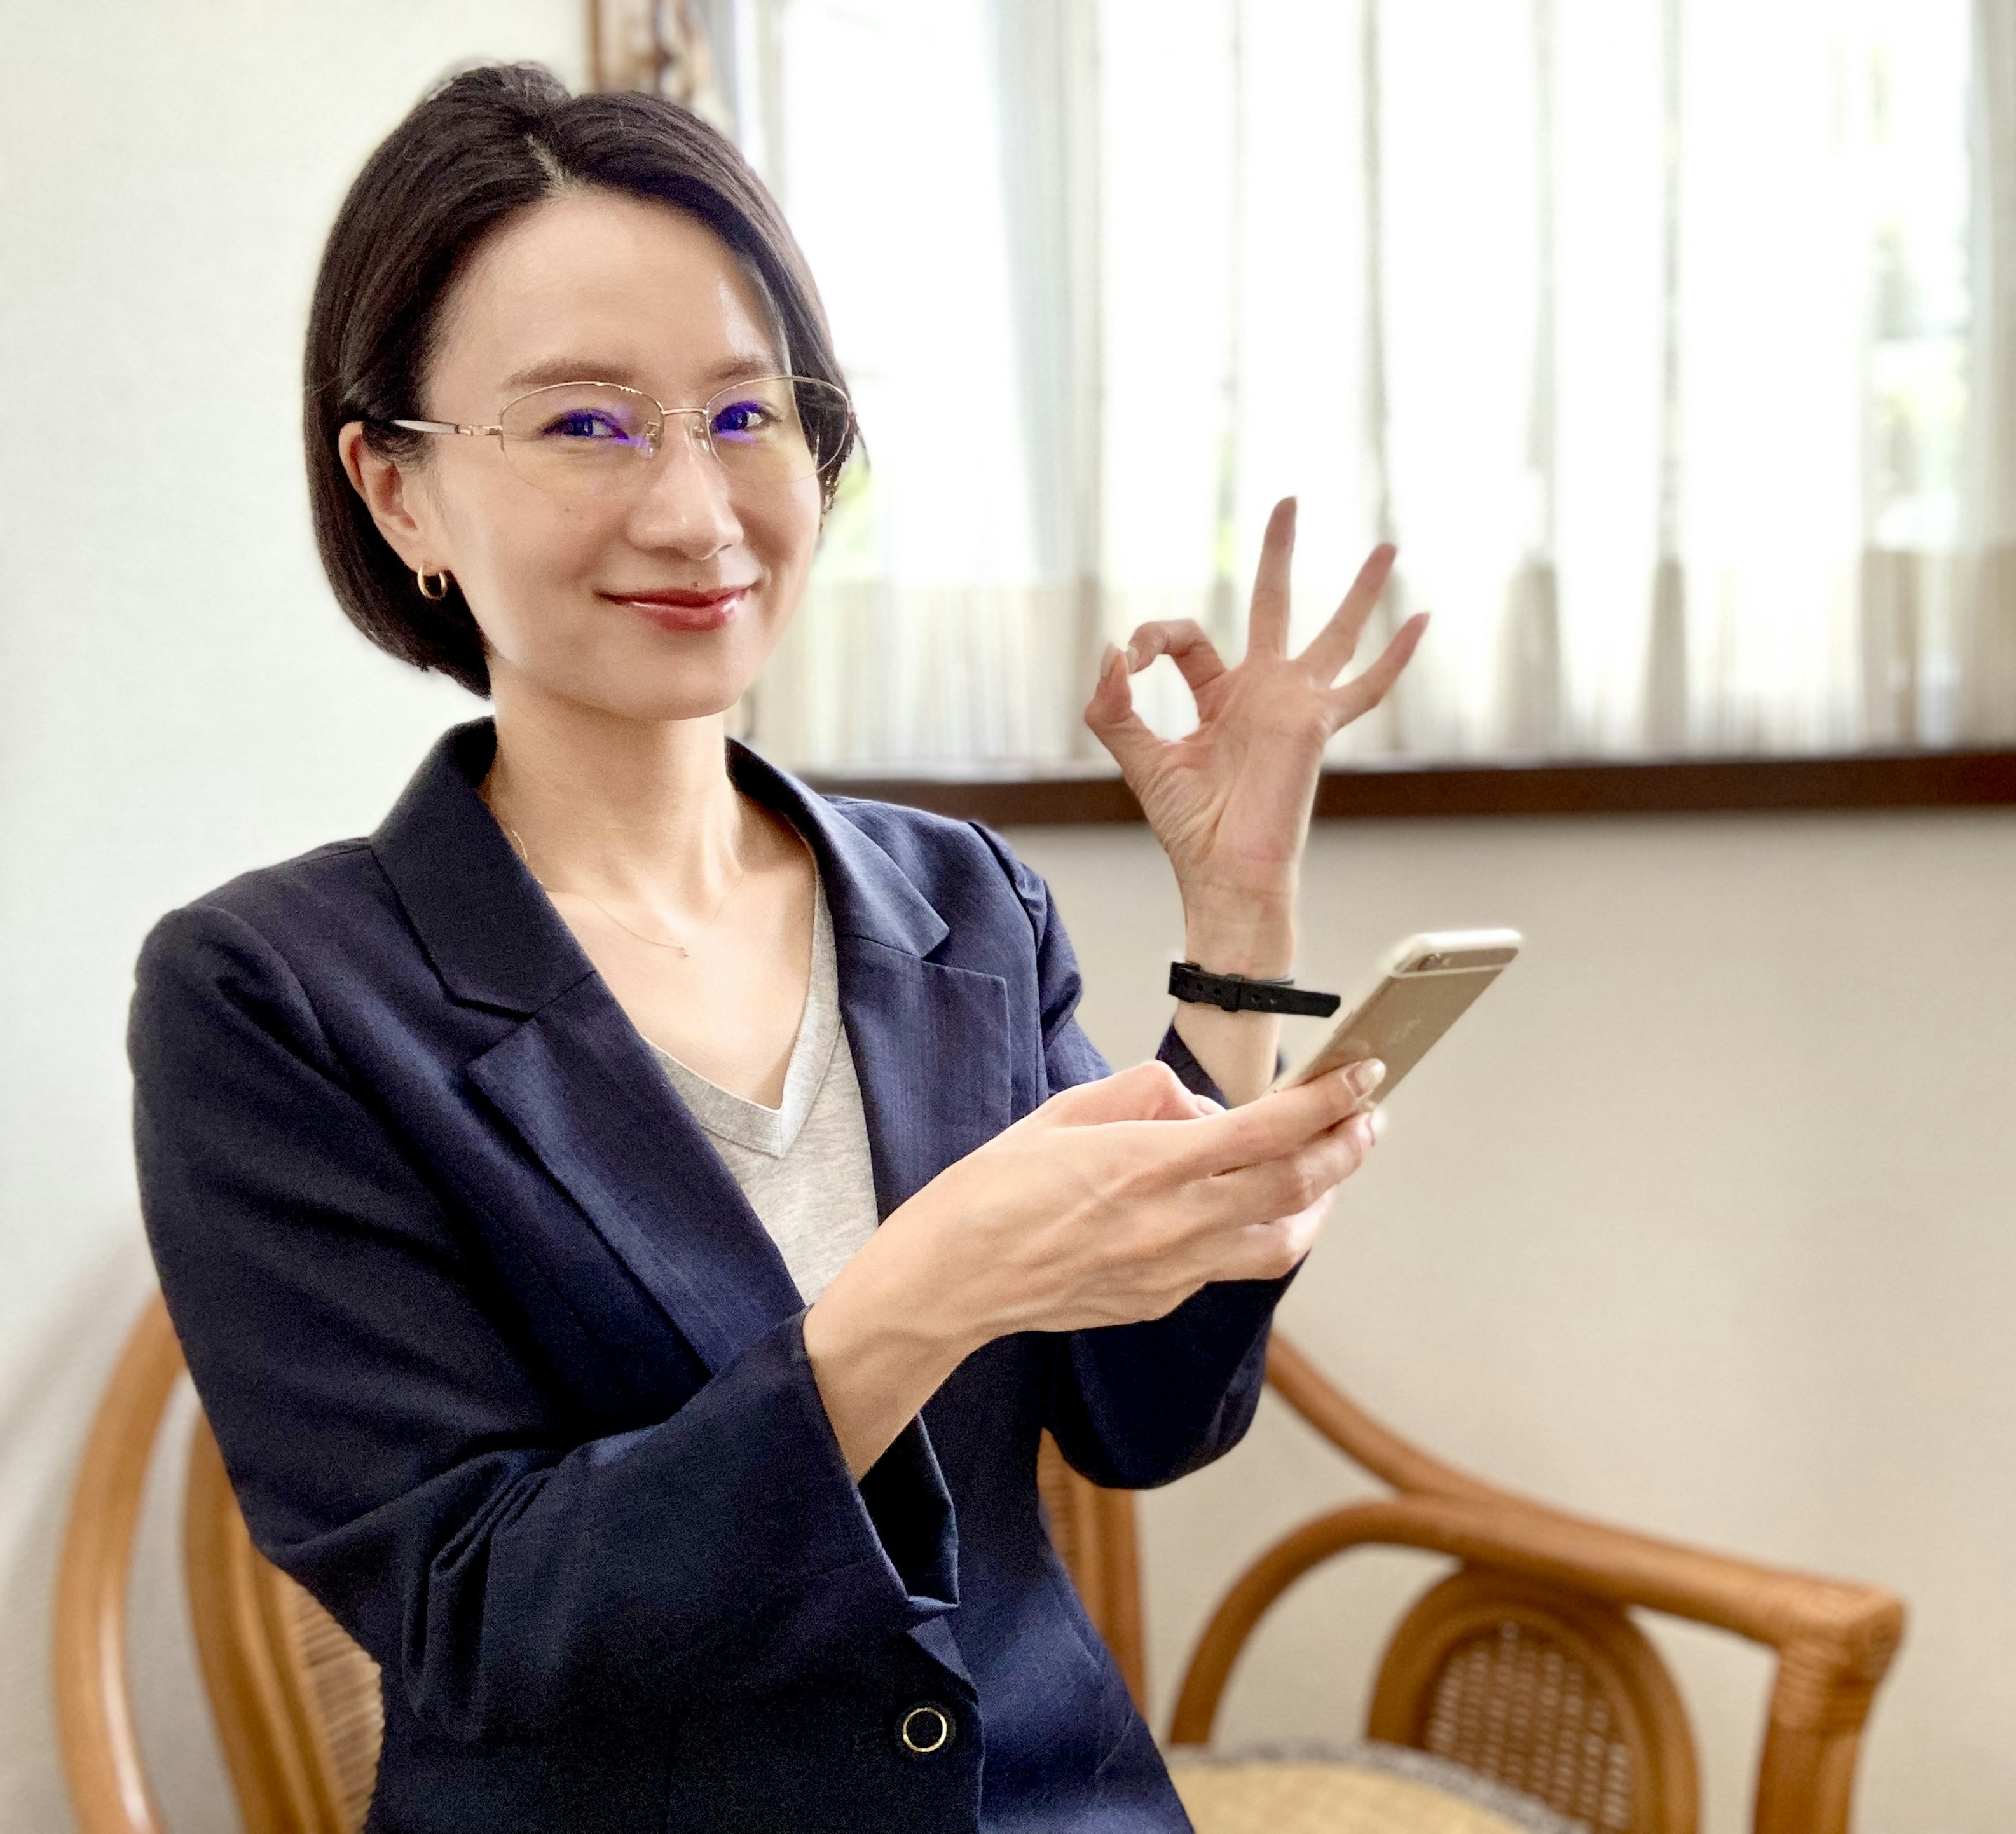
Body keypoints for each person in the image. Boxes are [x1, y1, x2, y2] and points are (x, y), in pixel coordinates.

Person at [127, 60, 1427, 1834]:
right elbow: (484, 1624)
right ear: (398, 490)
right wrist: (925, 1286)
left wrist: (1242, 922)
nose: (694, 510)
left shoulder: (960, 900)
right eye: (586, 424)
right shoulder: (272, 997)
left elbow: (1139, 1422)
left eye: (748, 417)